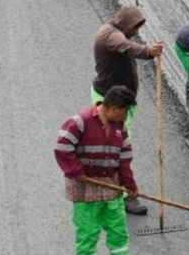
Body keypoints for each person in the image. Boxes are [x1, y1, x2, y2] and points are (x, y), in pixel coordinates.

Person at [92, 6, 162, 215]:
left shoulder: (113, 30)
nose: (137, 32)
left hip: (115, 100)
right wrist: (148, 52)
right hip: (111, 103)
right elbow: (126, 46)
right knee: (118, 150)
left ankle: (110, 187)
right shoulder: (111, 36)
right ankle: (125, 195)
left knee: (115, 148)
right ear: (125, 22)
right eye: (135, 27)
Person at [54, 86, 139, 255]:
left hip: (111, 188)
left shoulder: (120, 127)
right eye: (126, 110)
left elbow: (124, 158)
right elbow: (62, 147)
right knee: (87, 236)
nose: (127, 115)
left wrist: (130, 184)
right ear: (114, 109)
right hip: (85, 188)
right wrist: (77, 172)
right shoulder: (80, 122)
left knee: (118, 233)